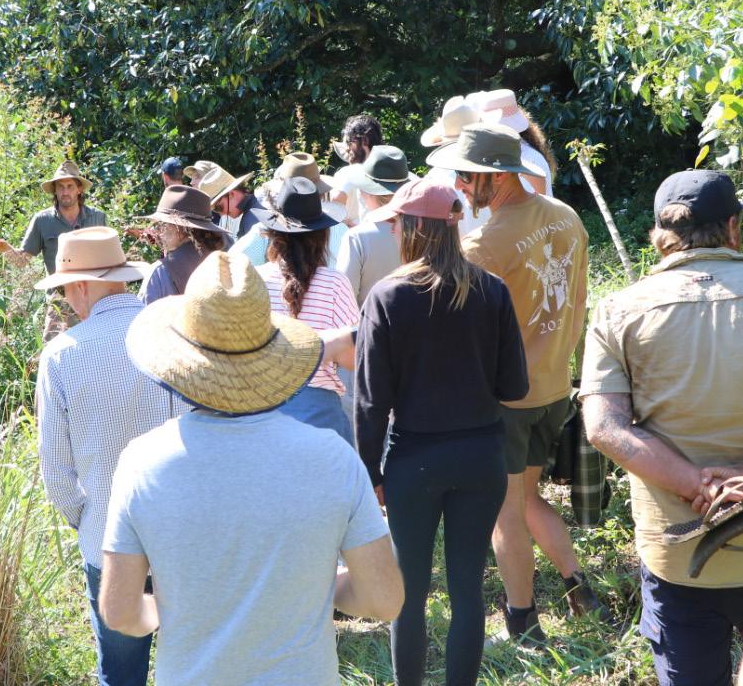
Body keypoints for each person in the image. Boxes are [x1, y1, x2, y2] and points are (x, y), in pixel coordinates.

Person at [99, 251, 404, 686]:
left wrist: (165, 611)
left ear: (181, 362)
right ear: (272, 356)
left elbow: (119, 612)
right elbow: (384, 599)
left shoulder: (142, 462)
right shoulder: (333, 458)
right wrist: (322, 587)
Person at [580, 170, 743, 686]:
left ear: (659, 236)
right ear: (733, 227)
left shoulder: (618, 310)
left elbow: (603, 426)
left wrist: (698, 485)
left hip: (679, 547)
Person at [428, 123, 605, 646]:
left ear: (498, 176)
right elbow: (580, 297)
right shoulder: (567, 216)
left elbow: (463, 340)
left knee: (503, 512)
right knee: (526, 497)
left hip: (507, 399)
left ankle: (523, 623)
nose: (459, 185)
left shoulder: (481, 245)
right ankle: (578, 585)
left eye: (466, 176)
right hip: (554, 388)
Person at [356, 178, 529, 686]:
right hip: (482, 456)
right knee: (467, 590)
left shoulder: (388, 296)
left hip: (414, 459)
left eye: (396, 223)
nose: (392, 231)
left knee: (407, 592)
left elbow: (371, 401)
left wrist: (370, 471)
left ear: (412, 229)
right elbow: (515, 386)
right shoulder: (492, 290)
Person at [34, 226, 187, 686]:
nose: (67, 301)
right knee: (194, 665)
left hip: (109, 537)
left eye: (65, 289)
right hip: (184, 531)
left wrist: (86, 519)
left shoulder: (61, 356)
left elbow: (56, 471)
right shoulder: (174, 333)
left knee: (120, 675)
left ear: (81, 285)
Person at [251, 177, 357, 445]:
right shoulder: (334, 283)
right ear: (322, 234)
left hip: (264, 411)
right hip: (321, 415)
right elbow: (355, 354)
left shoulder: (254, 281)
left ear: (273, 234)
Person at [0, 159, 107, 339]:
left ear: (79, 189)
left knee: (98, 350)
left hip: (94, 301)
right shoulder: (43, 220)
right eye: (61, 187)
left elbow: (108, 260)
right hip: (60, 304)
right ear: (55, 190)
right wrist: (6, 249)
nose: (65, 192)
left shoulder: (97, 217)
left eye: (70, 186)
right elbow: (22, 260)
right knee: (52, 352)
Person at [230, 152, 348, 269]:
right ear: (320, 191)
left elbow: (229, 265)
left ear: (280, 193)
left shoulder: (265, 230)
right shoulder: (342, 231)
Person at [335, 145, 414, 305]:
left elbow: (344, 297)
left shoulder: (356, 238)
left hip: (368, 320)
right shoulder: (423, 229)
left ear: (369, 192)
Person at [137, 185, 234, 304]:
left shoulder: (159, 272)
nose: (158, 230)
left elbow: (144, 314)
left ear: (181, 228)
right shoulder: (227, 254)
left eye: (162, 224)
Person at [329, 114, 383, 226]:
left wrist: (350, 228)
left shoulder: (347, 173)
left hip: (358, 235)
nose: (347, 149)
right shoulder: (394, 171)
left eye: (349, 142)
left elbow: (335, 202)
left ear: (364, 141)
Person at [196, 163, 264, 238]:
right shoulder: (256, 204)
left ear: (232, 194)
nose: (222, 214)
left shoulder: (253, 217)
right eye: (215, 210)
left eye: (219, 208)